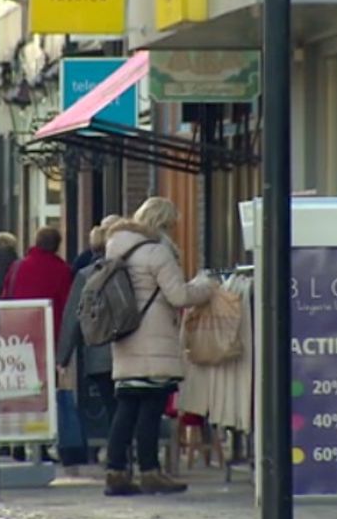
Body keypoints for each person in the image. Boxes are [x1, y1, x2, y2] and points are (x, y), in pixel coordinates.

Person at [103, 197, 215, 496]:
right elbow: (178, 296)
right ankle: (150, 471)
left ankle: (116, 471)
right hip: (153, 339)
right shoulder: (156, 252)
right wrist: (207, 287)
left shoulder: (118, 246)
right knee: (150, 409)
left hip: (125, 335)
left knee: (126, 407)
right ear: (164, 224)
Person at [56, 215, 123, 425]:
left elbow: (74, 317)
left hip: (99, 353)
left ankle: (118, 452)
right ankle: (130, 450)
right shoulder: (133, 272)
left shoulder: (86, 275)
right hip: (132, 352)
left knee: (112, 406)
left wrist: (62, 358)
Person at [1, 226, 73, 336]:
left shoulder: (17, 267)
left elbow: (6, 297)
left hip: (19, 331)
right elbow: (68, 305)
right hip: (50, 333)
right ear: (57, 246)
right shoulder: (63, 270)